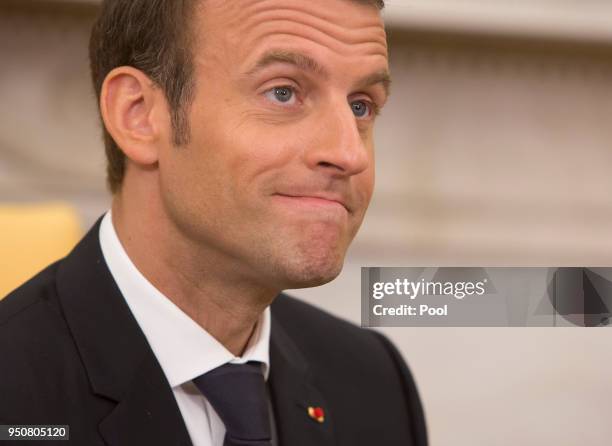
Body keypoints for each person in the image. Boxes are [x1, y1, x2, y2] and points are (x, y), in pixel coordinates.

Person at [0, 0, 428, 445]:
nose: (349, 154)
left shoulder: (374, 384)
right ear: (139, 114)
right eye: (283, 92)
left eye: (361, 106)